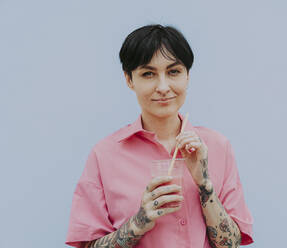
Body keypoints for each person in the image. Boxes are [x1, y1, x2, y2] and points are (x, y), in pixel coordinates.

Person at [65, 24, 254, 248]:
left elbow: (231, 244)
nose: (163, 87)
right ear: (129, 80)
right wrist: (138, 223)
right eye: (148, 74)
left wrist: (204, 184)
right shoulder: (104, 155)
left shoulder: (217, 146)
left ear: (187, 76)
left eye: (173, 72)